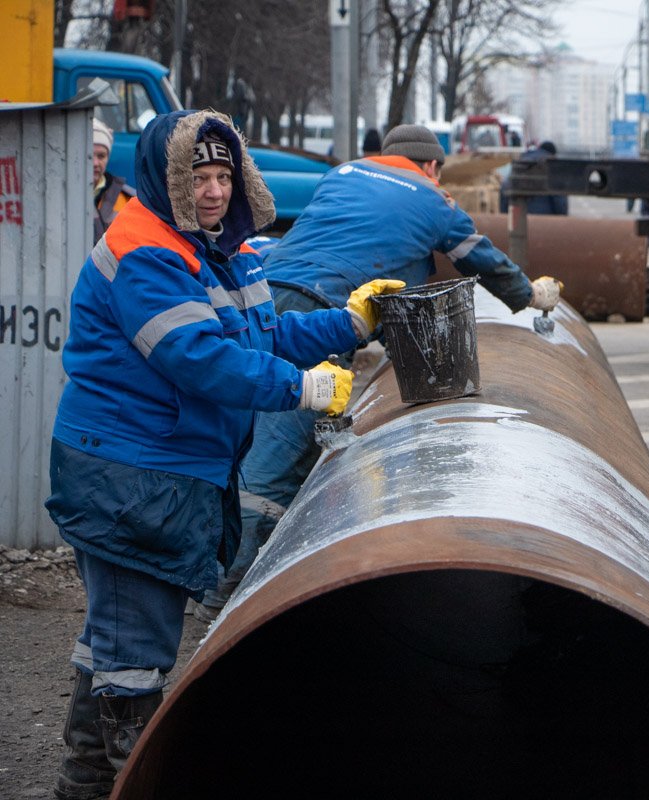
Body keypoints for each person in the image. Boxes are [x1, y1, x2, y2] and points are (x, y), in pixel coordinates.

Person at [45, 108, 407, 799]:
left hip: (161, 471)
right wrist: (302, 390)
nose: (212, 191)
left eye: (222, 175)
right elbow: (199, 359)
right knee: (137, 656)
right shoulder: (147, 252)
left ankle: (85, 784)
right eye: (197, 176)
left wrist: (348, 323)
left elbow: (258, 334)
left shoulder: (224, 245)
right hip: (129, 474)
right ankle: (134, 776)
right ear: (166, 179)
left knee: (115, 639)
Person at [193, 123, 563, 621]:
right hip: (317, 314)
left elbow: (382, 266)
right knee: (274, 457)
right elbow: (482, 260)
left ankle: (254, 570)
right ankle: (219, 597)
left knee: (254, 437)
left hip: (261, 296)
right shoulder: (432, 199)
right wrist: (529, 295)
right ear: (432, 166)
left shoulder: (342, 174)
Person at [90, 118, 134, 243]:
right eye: (89, 155)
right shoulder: (60, 196)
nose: (95, 163)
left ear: (108, 157)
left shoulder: (127, 199)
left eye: (101, 156)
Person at [499, 141, 568, 216]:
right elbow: (559, 201)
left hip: (518, 217)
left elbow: (505, 188)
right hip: (544, 218)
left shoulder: (521, 160)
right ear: (553, 155)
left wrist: (505, 216)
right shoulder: (550, 165)